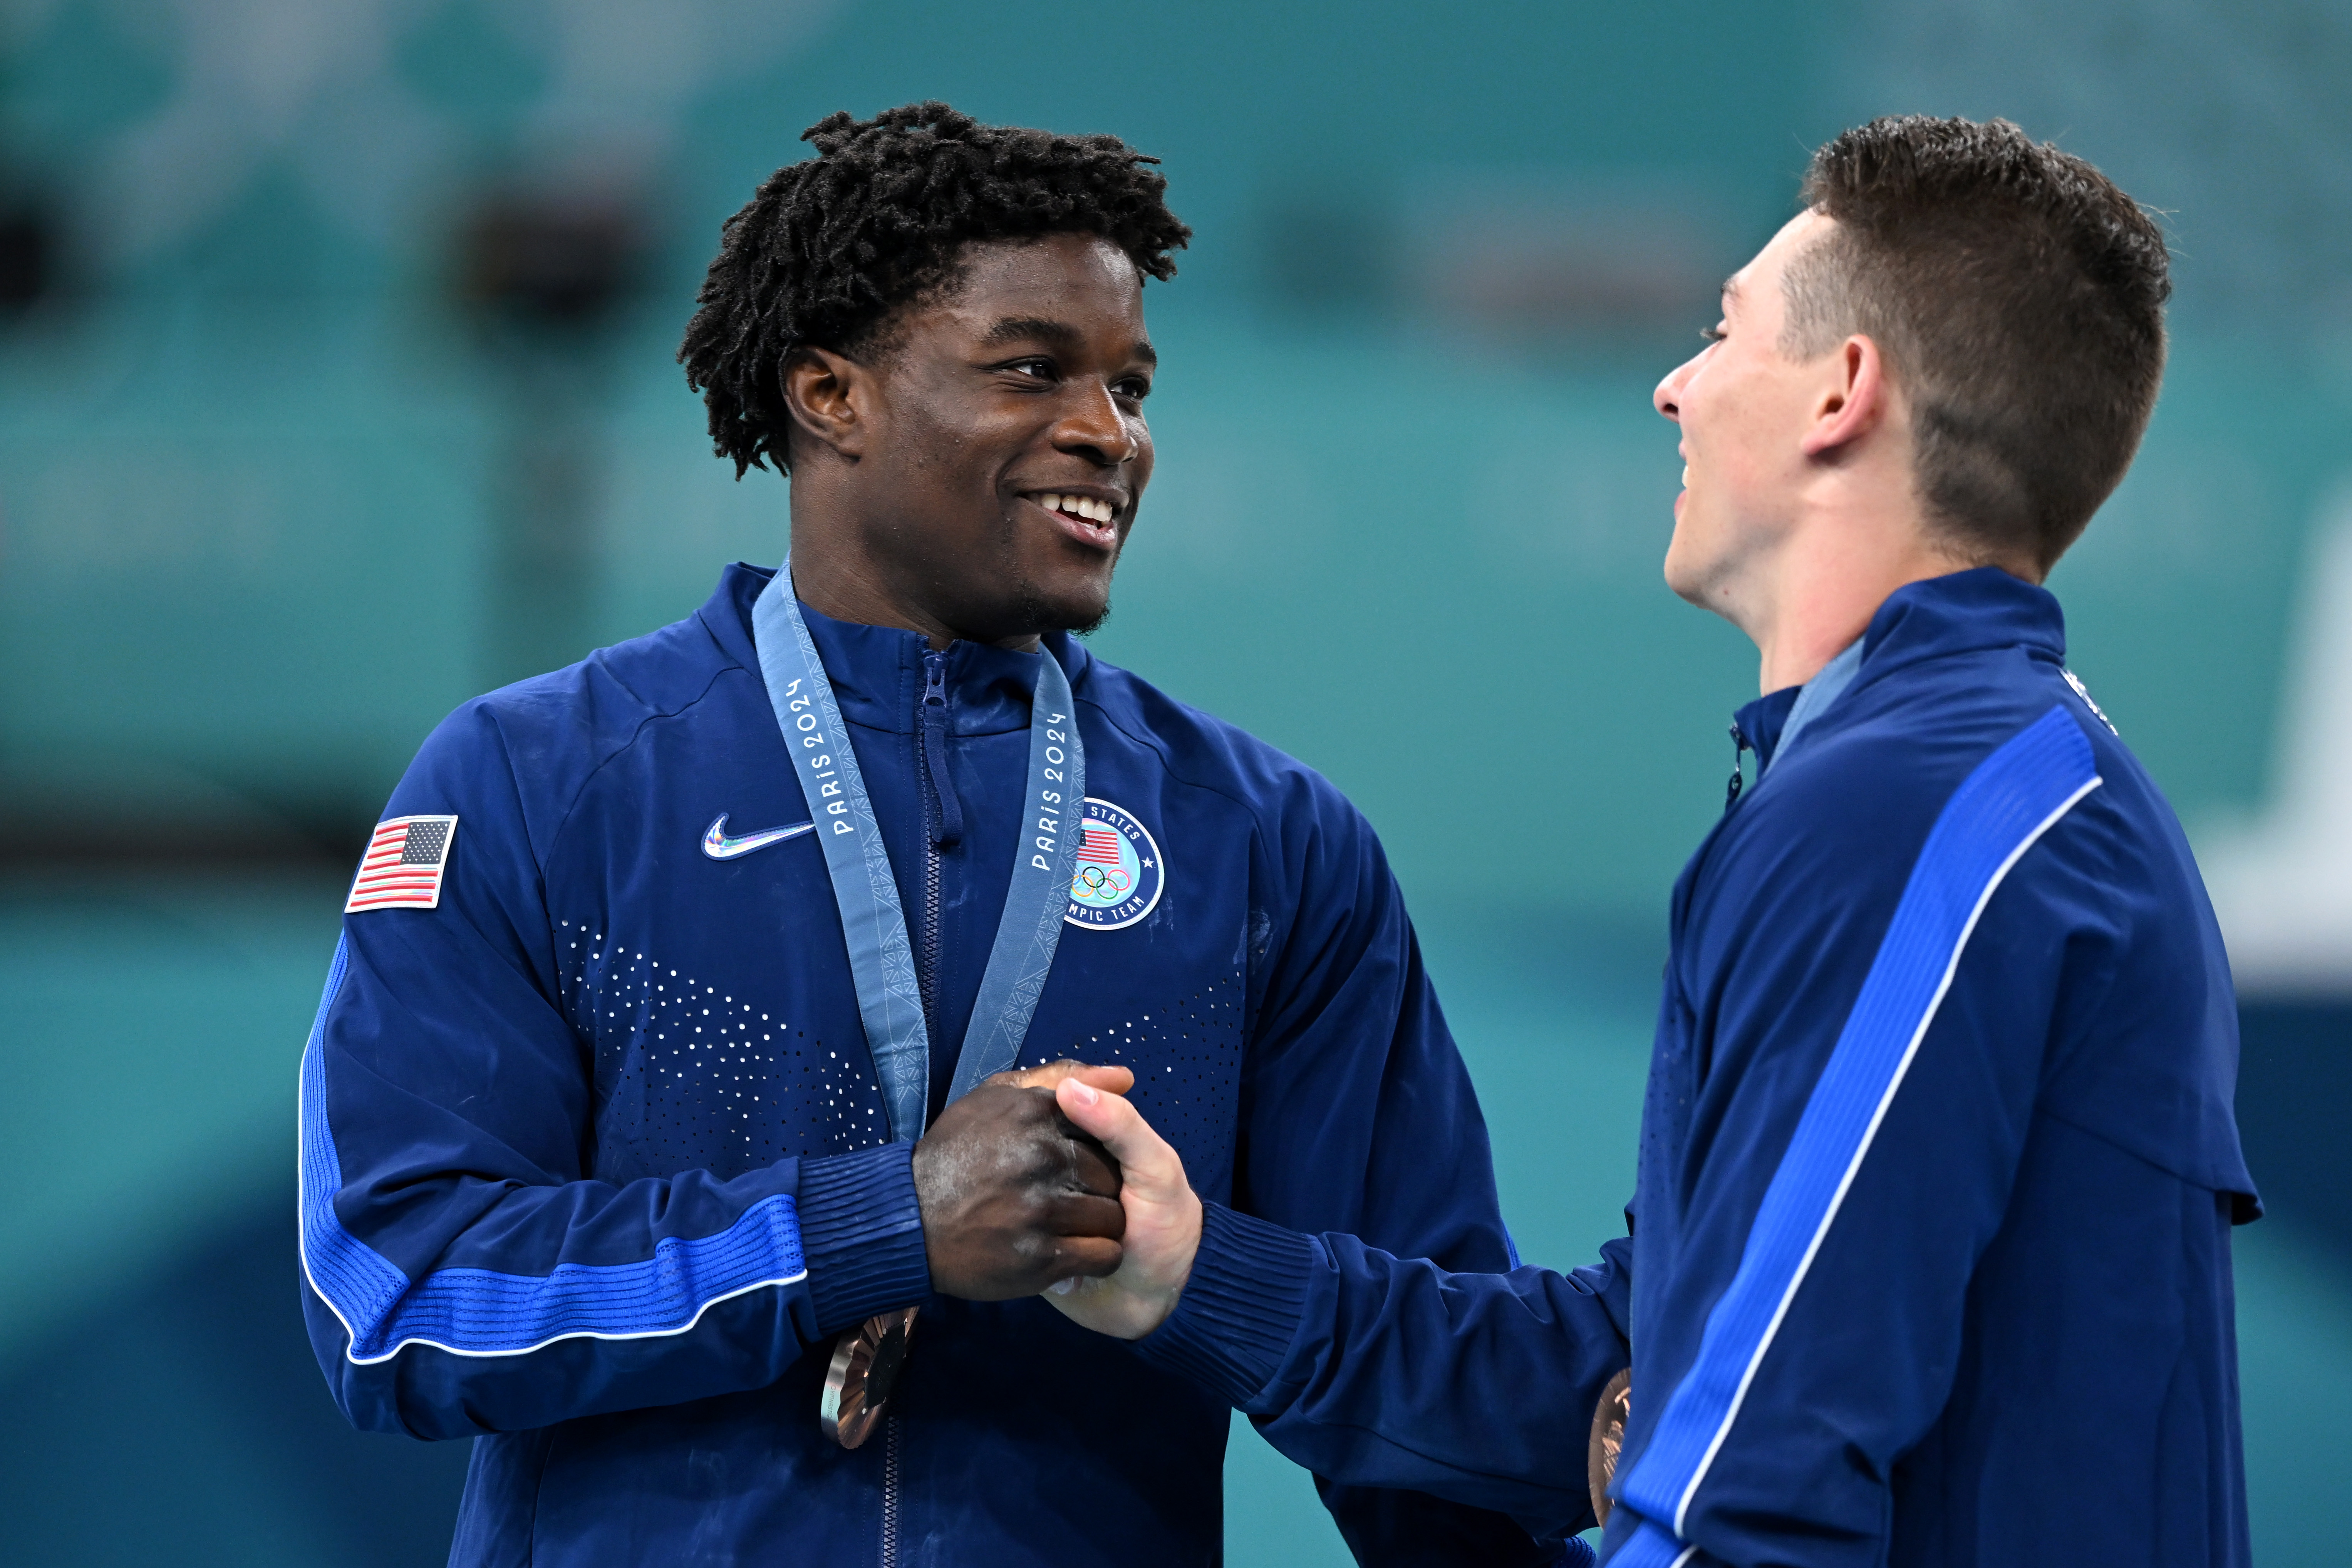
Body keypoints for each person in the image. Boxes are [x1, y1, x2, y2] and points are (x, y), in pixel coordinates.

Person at [297, 103, 1560, 1567]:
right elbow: (396, 1301)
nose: (1110, 434)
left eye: (1132, 386)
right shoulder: (536, 781)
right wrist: (871, 1228)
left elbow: (1424, 1395)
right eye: (1035, 370)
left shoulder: (1266, 846)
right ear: (829, 393)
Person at [1041, 115, 2261, 1568]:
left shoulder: (1909, 811)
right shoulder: (1966, 783)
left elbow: (1755, 1487)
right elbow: (1645, 1359)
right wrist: (1195, 1276)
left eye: (1724, 328)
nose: (1675, 387)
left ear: (1841, 394)